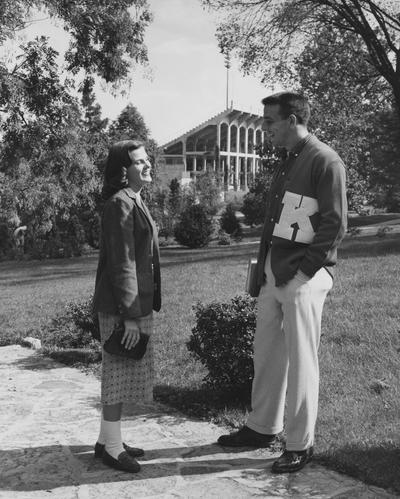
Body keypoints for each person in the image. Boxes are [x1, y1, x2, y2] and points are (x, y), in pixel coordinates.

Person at [218, 92, 347, 473]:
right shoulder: (288, 159)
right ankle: (262, 427)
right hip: (276, 272)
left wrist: (304, 273)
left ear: (292, 120)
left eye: (270, 121)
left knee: (302, 359)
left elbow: (335, 224)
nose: (265, 128)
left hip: (304, 276)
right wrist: (264, 273)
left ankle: (299, 443)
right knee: (267, 351)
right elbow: (280, 222)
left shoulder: (325, 159)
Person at [92, 139, 161, 473]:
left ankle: (107, 440)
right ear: (123, 170)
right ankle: (113, 448)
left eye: (147, 159)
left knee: (122, 373)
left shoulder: (134, 199)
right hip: (123, 307)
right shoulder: (120, 203)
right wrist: (130, 317)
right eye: (139, 162)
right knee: (117, 376)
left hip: (134, 304)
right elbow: (122, 263)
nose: (147, 165)